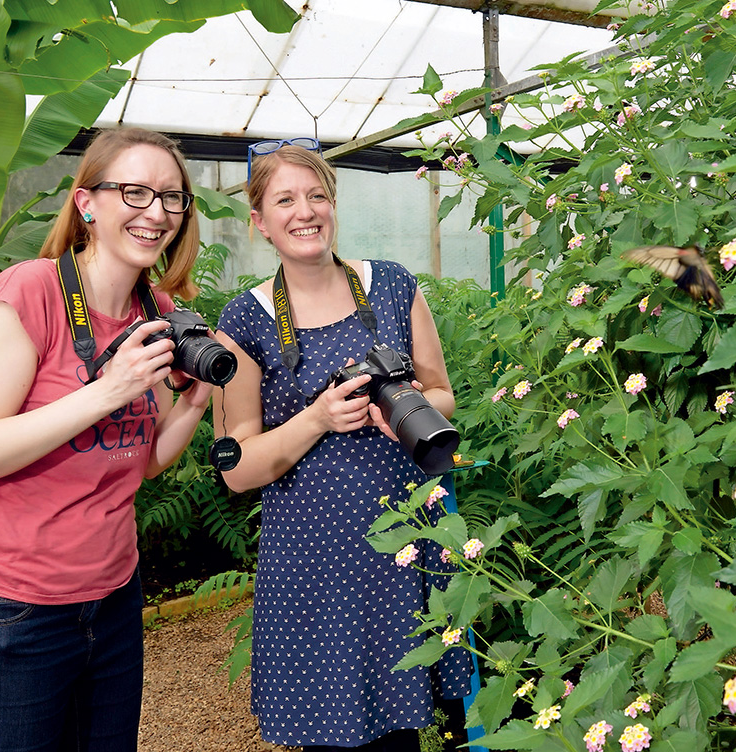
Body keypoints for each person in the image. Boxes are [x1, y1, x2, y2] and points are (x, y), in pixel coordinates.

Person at [213, 141, 471, 752]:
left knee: (411, 728)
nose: (305, 212)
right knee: (334, 734)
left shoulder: (391, 285)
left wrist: (404, 407)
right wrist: (319, 417)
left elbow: (442, 391)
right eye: (285, 200)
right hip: (314, 563)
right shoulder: (244, 321)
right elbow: (237, 469)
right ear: (259, 222)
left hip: (406, 541)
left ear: (333, 204)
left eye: (317, 195)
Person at [0, 127, 214, 751]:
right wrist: (105, 392)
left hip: (114, 596)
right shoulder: (31, 292)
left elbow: (142, 466)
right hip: (18, 607)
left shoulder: (158, 311)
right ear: (87, 204)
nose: (156, 212)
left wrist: (195, 399)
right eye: (135, 192)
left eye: (172, 197)